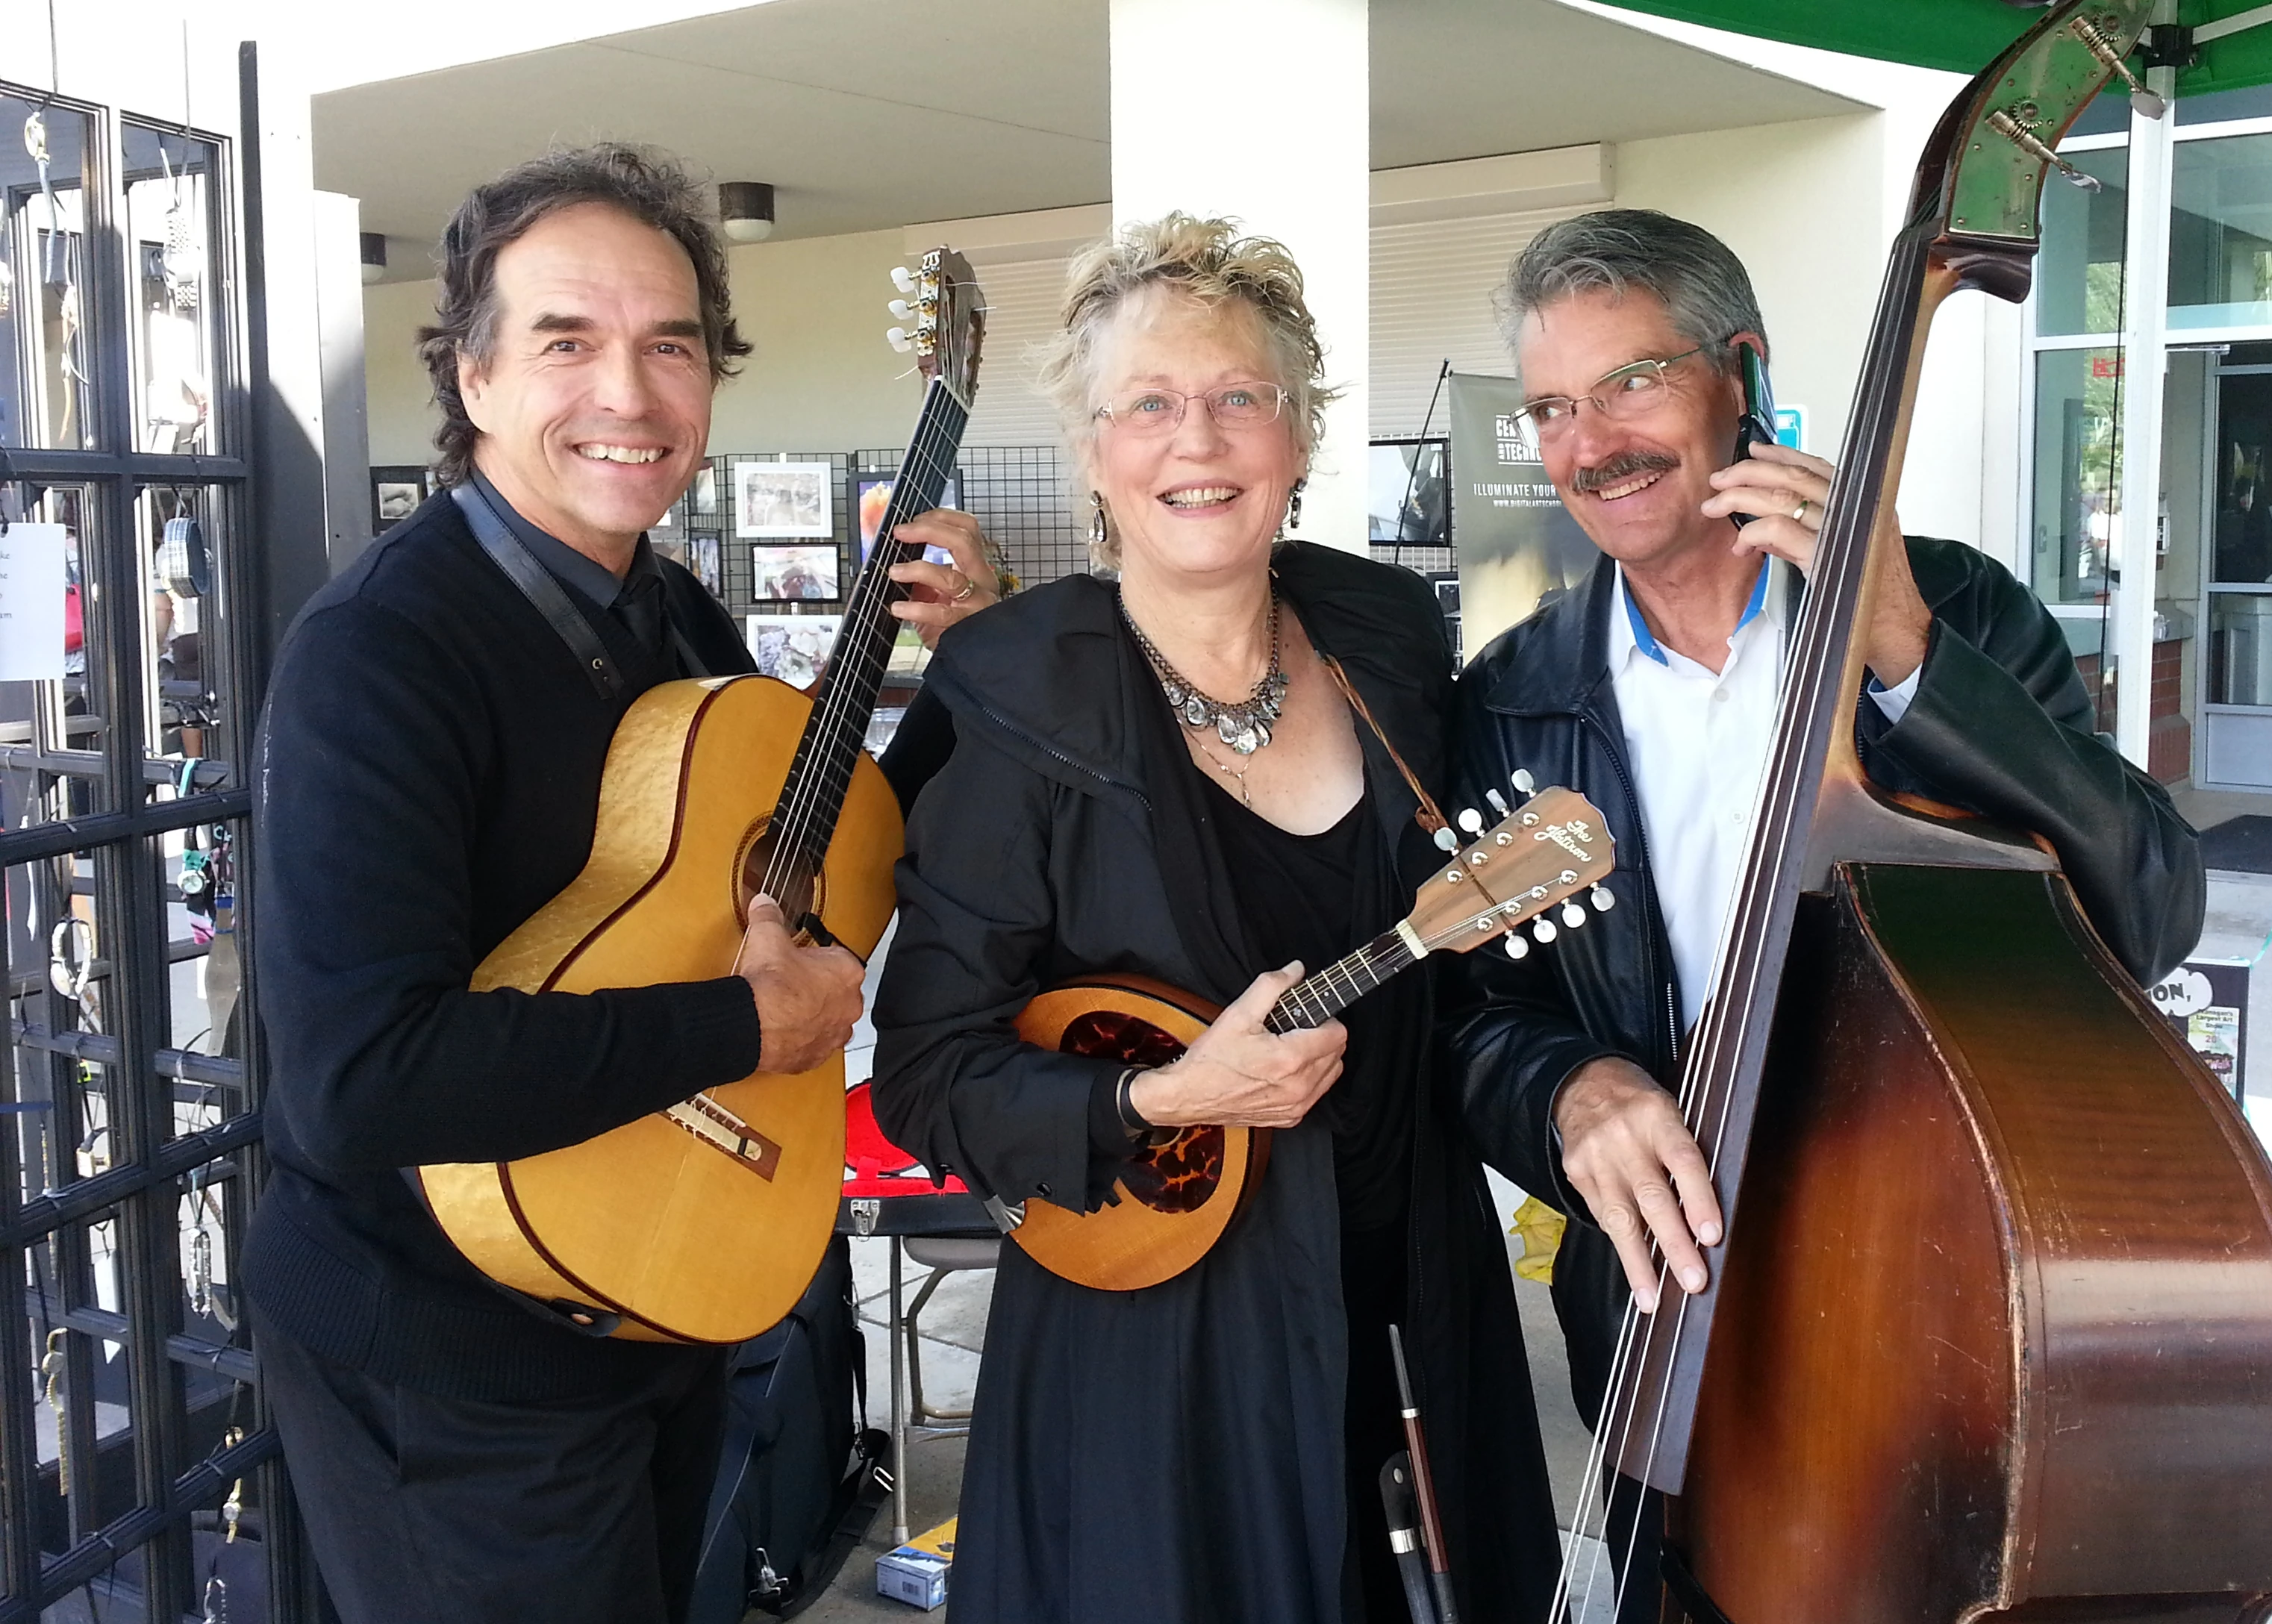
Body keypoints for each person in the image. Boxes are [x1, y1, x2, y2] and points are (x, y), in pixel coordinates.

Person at [245, 144, 1000, 1624]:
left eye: (670, 344)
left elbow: (816, 867)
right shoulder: (383, 653)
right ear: (470, 378)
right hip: (443, 1358)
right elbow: (360, 1077)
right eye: (567, 340)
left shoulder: (669, 612)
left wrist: (965, 667)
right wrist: (741, 1030)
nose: (629, 392)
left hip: (645, 1289)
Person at [1438, 209, 2206, 1619]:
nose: (1590, 441)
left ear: (1742, 370)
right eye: (1553, 406)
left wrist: (1911, 654)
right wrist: (1569, 1087)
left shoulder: (1953, 607)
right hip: (1670, 1319)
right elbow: (1475, 1014)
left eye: (1632, 383)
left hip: (1945, 1294)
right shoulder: (1508, 695)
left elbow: (2148, 906)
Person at [870, 214, 1560, 1623]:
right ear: (1096, 455)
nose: (1201, 438)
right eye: (1152, 404)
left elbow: (1464, 964)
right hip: (1155, 1336)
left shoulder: (1387, 642)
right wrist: (1161, 1091)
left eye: (1241, 397)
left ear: (1298, 439)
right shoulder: (1016, 695)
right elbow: (928, 1074)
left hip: (1403, 1290)